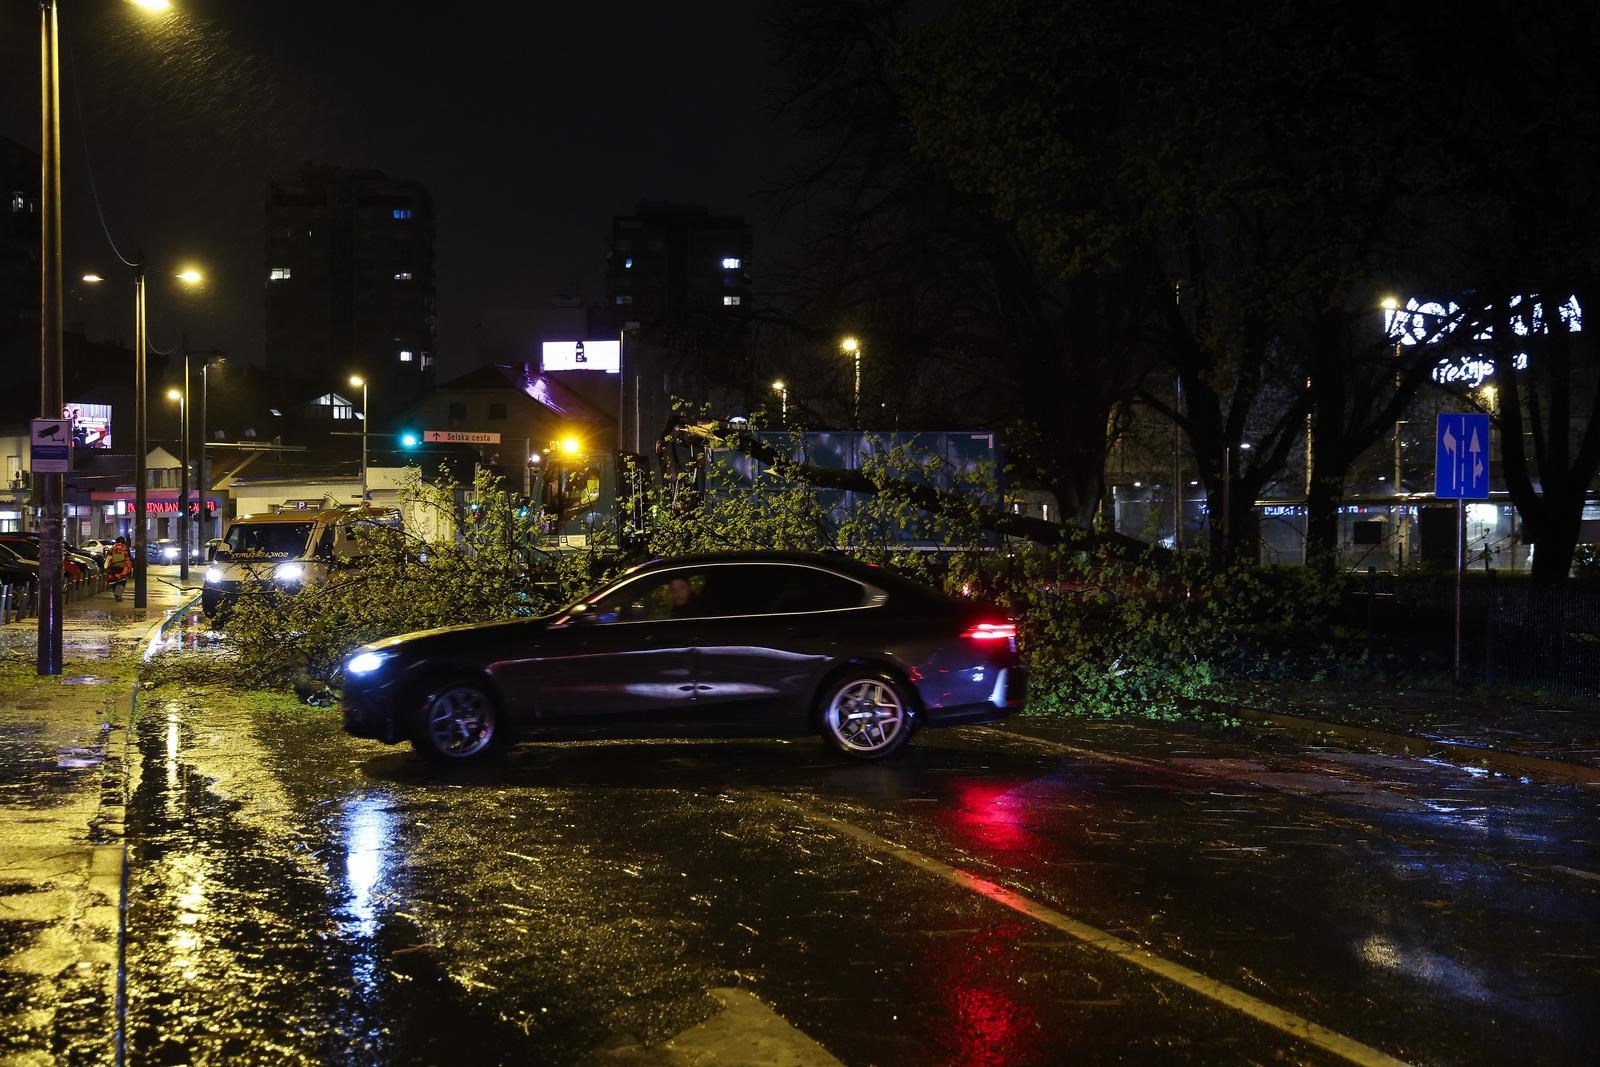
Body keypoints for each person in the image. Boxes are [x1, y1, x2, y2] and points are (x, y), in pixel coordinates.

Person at [103, 537, 132, 601]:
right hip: (123, 567)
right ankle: (119, 594)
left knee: (113, 580)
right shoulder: (125, 548)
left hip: (113, 567)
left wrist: (107, 566)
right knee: (122, 580)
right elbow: (129, 558)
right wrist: (129, 569)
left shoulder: (113, 548)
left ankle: (116, 593)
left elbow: (108, 557)